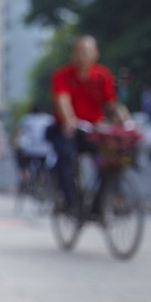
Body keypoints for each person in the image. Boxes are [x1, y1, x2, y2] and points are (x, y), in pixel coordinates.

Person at [49, 35, 130, 210]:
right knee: (65, 157)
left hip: (93, 131)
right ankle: (70, 202)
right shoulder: (62, 75)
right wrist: (69, 121)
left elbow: (112, 103)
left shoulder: (102, 75)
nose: (82, 55)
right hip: (68, 130)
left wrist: (127, 122)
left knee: (114, 159)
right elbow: (63, 101)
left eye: (86, 51)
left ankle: (102, 204)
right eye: (79, 51)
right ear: (72, 54)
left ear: (95, 54)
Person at [13, 103, 55, 191]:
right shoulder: (49, 119)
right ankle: (43, 180)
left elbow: (17, 134)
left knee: (20, 158)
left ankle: (24, 176)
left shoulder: (26, 119)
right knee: (47, 165)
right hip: (45, 151)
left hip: (29, 150)